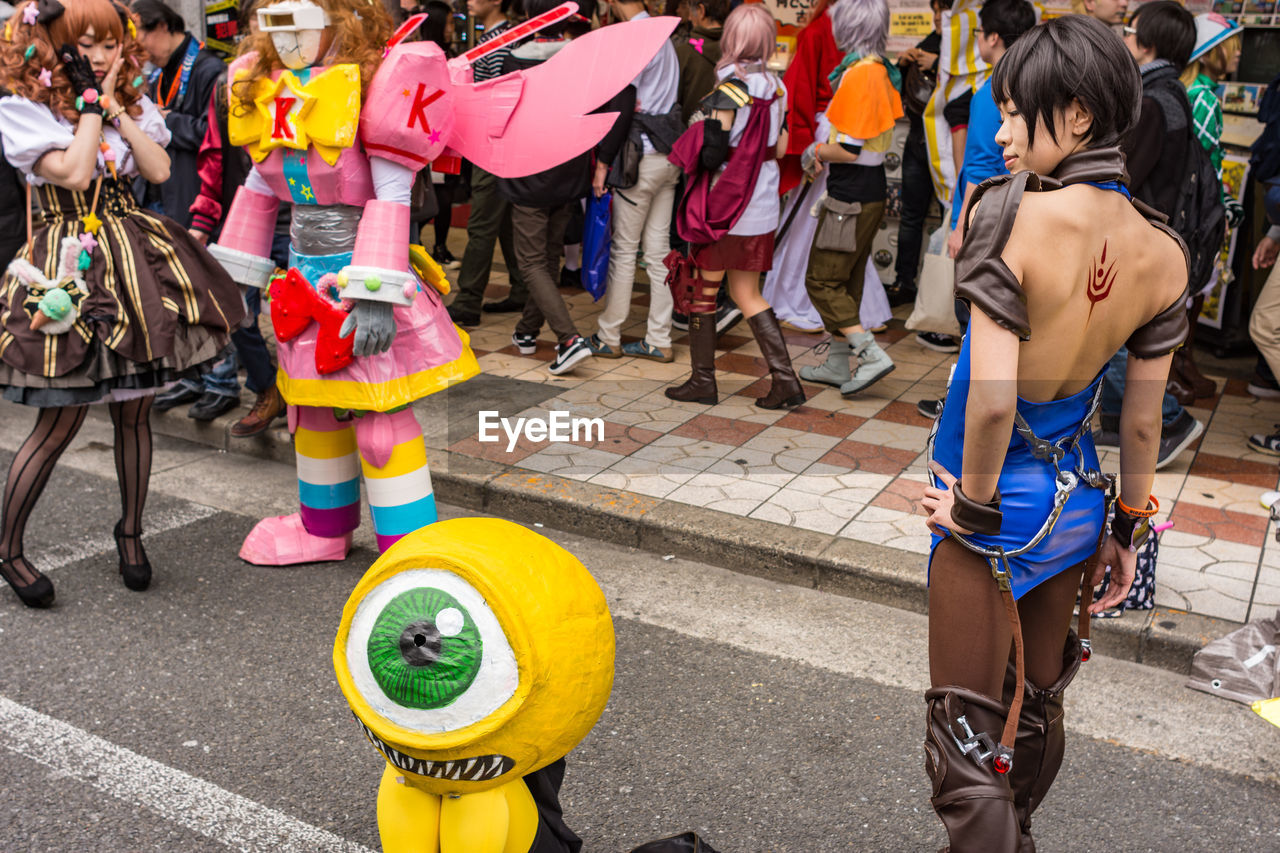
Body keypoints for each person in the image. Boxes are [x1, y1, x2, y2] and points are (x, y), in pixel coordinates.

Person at [920, 16, 1187, 850]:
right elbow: (1140, 421)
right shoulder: (1165, 252)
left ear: (1074, 115)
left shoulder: (1010, 214)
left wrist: (970, 506)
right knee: (1033, 705)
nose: (999, 133)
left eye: (1013, 112)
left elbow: (994, 401)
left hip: (994, 502)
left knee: (964, 749)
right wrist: (1129, 530)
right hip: (1076, 503)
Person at [208, 0, 480, 565]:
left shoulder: (376, 86)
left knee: (380, 413)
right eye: (272, 26)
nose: (285, 41)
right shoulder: (266, 89)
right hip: (302, 278)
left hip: (360, 269)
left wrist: (374, 295)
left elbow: (392, 193)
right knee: (309, 409)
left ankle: (409, 547)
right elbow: (260, 187)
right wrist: (234, 280)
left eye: (297, 26)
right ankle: (323, 530)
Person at [0, 0, 244, 607]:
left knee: (135, 412)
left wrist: (115, 108)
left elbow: (158, 168)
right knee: (60, 417)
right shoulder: (22, 110)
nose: (104, 56)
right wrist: (87, 108)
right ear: (53, 46)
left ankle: (130, 533)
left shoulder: (128, 102)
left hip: (134, 261)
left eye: (111, 44)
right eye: (88, 44)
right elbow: (78, 174)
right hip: (68, 263)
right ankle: (7, 548)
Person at [665, 3, 802, 409]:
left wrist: (698, 127)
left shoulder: (728, 87)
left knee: (703, 291)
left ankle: (703, 382)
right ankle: (785, 381)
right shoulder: (778, 88)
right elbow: (778, 147)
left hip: (724, 205)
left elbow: (711, 154)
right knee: (747, 293)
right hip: (761, 206)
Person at [1094, 0, 1203, 467]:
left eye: (1132, 32)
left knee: (1109, 331)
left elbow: (1128, 174)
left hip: (1139, 235)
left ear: (1150, 43)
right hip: (1153, 234)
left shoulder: (1156, 100)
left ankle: (1172, 420)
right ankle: (1120, 420)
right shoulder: (1169, 92)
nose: (1126, 38)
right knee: (1120, 328)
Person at [499, 0, 628, 375]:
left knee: (532, 261)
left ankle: (569, 339)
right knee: (550, 254)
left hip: (529, 171)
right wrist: (601, 157)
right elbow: (619, 98)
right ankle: (527, 330)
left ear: (529, 17)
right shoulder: (581, 61)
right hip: (570, 168)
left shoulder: (515, 60)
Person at [182, 0, 288, 438]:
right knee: (234, 311)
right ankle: (269, 388)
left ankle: (311, 403)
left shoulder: (323, 79)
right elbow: (212, 157)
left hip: (309, 216)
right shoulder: (232, 84)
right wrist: (202, 222)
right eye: (260, 21)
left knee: (307, 316)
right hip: (248, 213)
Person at [798, 0, 902, 397]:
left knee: (822, 280)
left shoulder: (861, 75)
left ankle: (868, 353)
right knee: (847, 281)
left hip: (850, 195)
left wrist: (816, 152)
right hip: (869, 191)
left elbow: (848, 149)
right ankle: (839, 363)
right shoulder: (878, 69)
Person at [585, 0, 682, 363]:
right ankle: (659, 338)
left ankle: (609, 334)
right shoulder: (665, 35)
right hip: (669, 154)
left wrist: (603, 162)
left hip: (637, 158)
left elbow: (624, 101)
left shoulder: (635, 38)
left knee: (625, 250)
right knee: (658, 252)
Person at [1173, 13, 1244, 400]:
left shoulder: (1196, 92)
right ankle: (1175, 369)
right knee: (1193, 289)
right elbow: (1201, 163)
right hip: (1200, 212)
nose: (1238, 55)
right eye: (1231, 46)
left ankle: (1181, 366)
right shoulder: (1203, 97)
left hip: (1198, 209)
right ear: (1211, 52)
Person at [445, 0, 526, 326]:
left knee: (481, 225)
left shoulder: (504, 39)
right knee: (502, 222)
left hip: (494, 145)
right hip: (494, 143)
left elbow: (501, 96)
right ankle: (521, 289)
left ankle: (467, 301)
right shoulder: (494, 37)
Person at [130, 0, 225, 228]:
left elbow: (214, 136)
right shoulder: (157, 75)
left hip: (191, 200)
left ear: (162, 26)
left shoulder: (210, 70)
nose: (142, 53)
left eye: (141, 41)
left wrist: (166, 120)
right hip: (155, 195)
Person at [887, 0, 949, 308]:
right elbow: (899, 86)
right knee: (910, 216)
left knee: (949, 217)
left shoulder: (968, 49)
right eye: (935, 11)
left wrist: (938, 64)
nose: (938, 17)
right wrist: (903, 61)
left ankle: (940, 291)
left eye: (943, 10)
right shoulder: (929, 40)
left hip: (949, 144)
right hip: (917, 142)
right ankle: (904, 281)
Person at [418, 0, 465, 271]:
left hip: (448, 137)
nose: (451, 28)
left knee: (444, 193)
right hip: (431, 136)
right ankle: (428, 245)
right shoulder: (429, 57)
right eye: (448, 23)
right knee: (437, 197)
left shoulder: (449, 55)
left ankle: (439, 247)